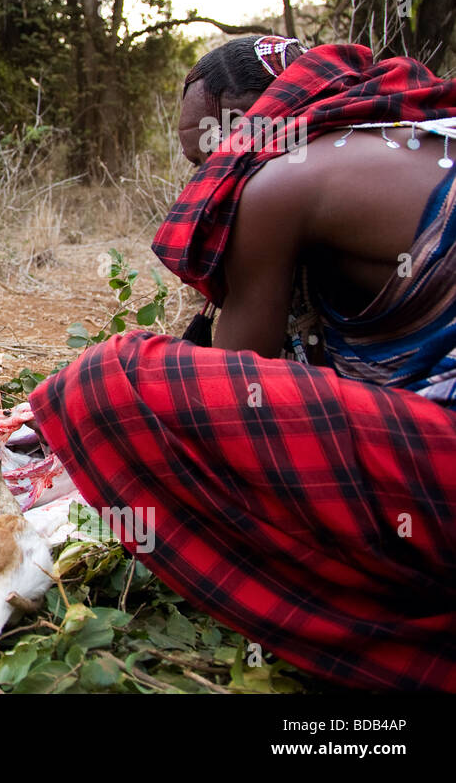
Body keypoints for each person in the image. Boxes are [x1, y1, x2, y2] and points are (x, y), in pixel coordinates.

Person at [28, 36, 456, 691]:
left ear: (247, 126)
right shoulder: (407, 134)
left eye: (204, 157)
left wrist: (73, 430)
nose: (200, 181)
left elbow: (229, 395)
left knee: (108, 381)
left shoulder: (279, 183)